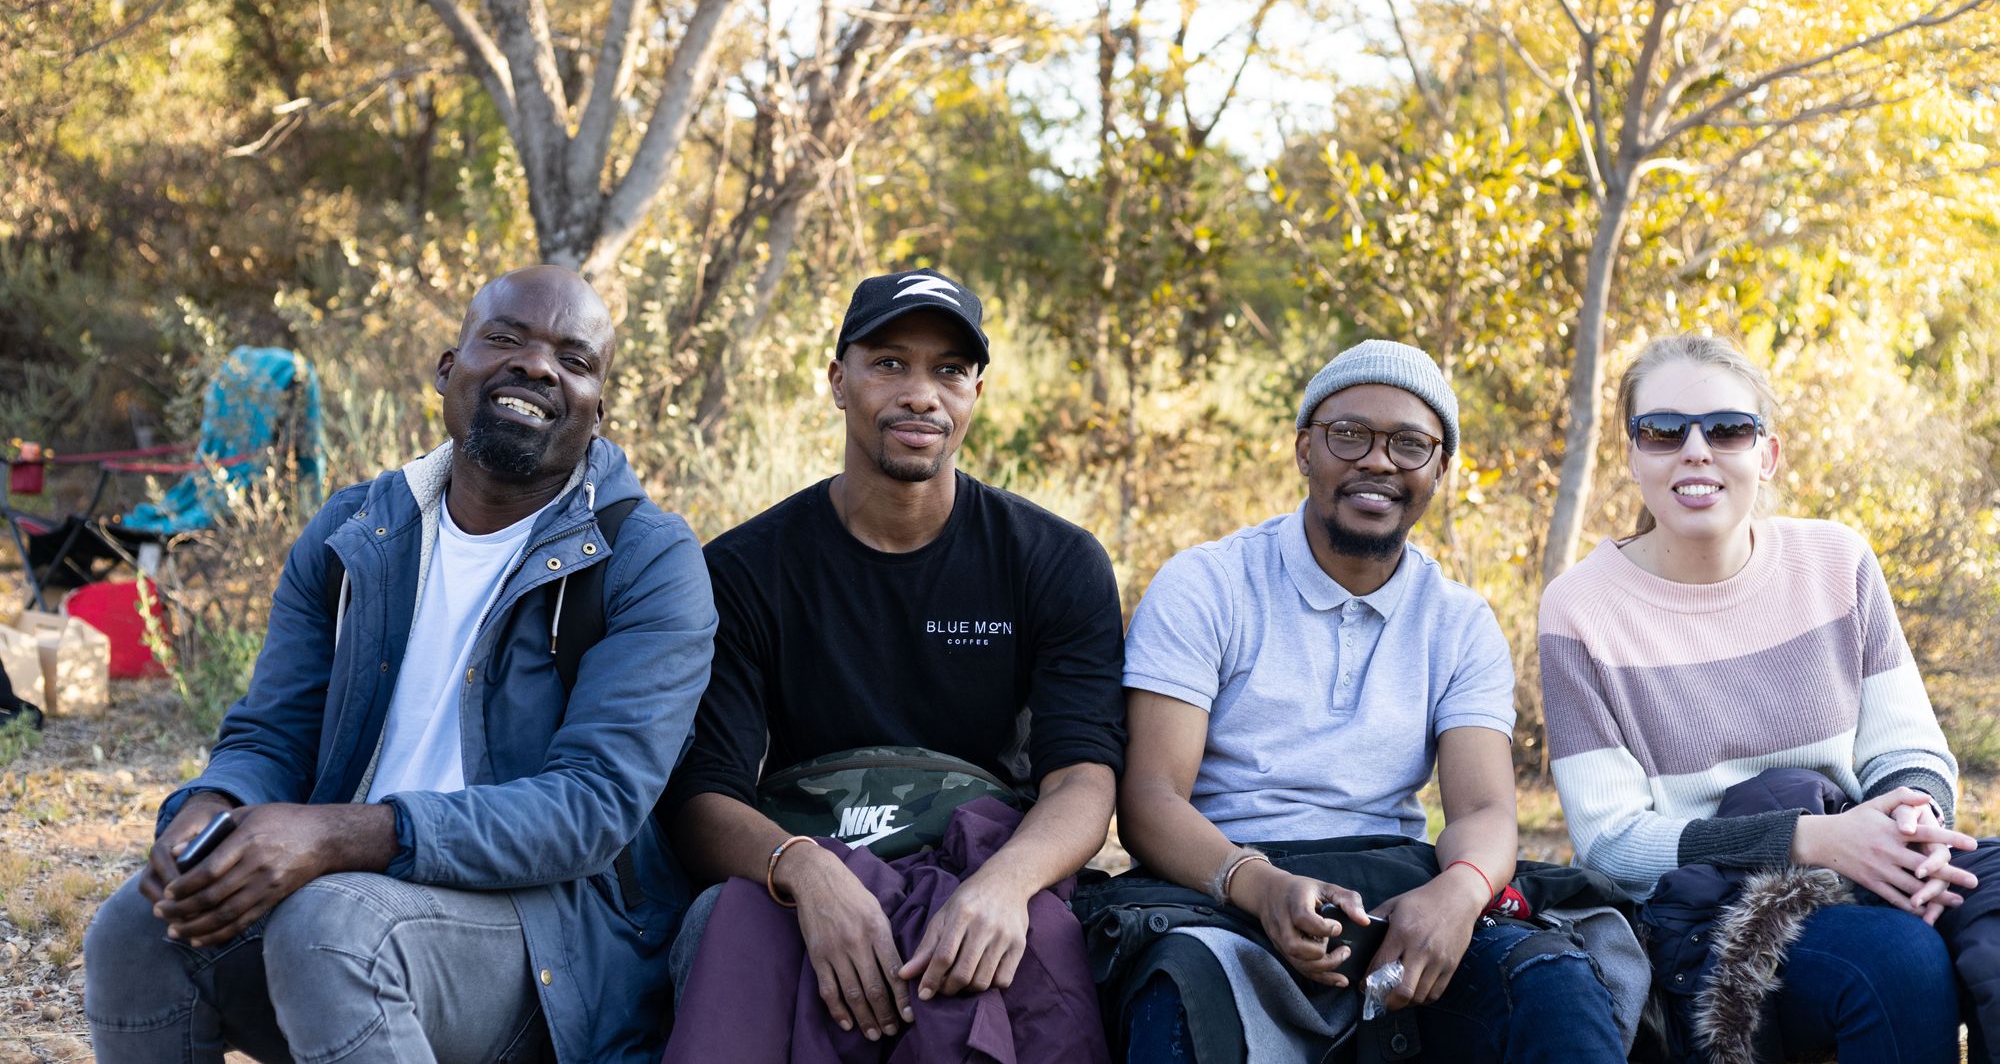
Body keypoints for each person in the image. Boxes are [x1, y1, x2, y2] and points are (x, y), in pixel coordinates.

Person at [83, 266, 718, 1064]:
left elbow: (591, 807)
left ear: (598, 409)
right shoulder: (355, 530)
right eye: (506, 338)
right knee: (137, 930)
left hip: (550, 941)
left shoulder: (646, 558)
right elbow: (272, 732)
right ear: (448, 369)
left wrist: (344, 835)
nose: (537, 366)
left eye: (573, 359)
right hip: (345, 905)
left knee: (333, 926)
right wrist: (210, 806)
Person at [1115, 339, 1631, 1063]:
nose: (1379, 462)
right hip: (1225, 891)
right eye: (1349, 434)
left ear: (1440, 470)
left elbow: (1485, 811)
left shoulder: (1458, 620)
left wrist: (1458, 894)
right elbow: (1149, 798)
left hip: (1394, 892)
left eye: (1410, 444)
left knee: (1553, 984)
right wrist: (1259, 885)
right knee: (1181, 1005)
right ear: (1305, 449)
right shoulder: (1207, 586)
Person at [662, 269, 1125, 1061]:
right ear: (838, 381)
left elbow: (1082, 776)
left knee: (1050, 940)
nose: (921, 394)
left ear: (976, 392)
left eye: (949, 369)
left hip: (985, 859)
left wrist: (1008, 884)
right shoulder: (743, 569)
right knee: (725, 927)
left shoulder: (1054, 560)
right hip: (807, 855)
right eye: (889, 363)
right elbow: (703, 796)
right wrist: (804, 872)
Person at [1539, 332, 1998, 1063]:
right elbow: (1613, 841)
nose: (1696, 451)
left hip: (1868, 850)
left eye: (1727, 428)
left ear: (1768, 454)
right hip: (1707, 909)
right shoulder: (1581, 609)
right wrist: (1805, 839)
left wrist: (1914, 816)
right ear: (1632, 456)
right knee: (1897, 961)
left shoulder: (1836, 561)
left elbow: (1908, 747)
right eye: (1664, 431)